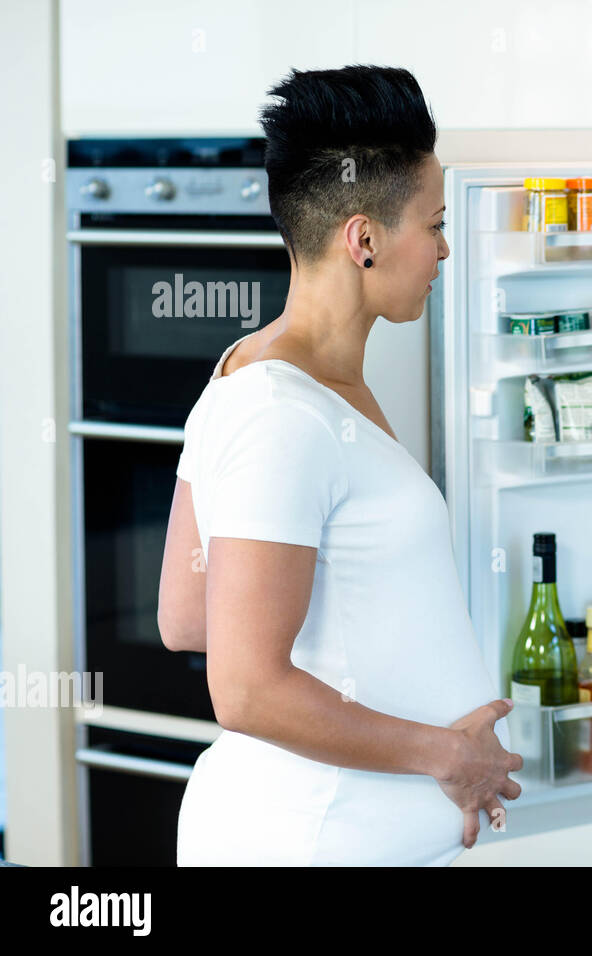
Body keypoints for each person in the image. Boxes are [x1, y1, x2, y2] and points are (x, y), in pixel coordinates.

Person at [156, 65, 521, 865]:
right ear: (364, 239)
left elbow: (187, 611)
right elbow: (245, 688)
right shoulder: (283, 416)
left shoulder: (260, 376)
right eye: (434, 223)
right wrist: (444, 754)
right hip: (303, 839)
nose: (444, 247)